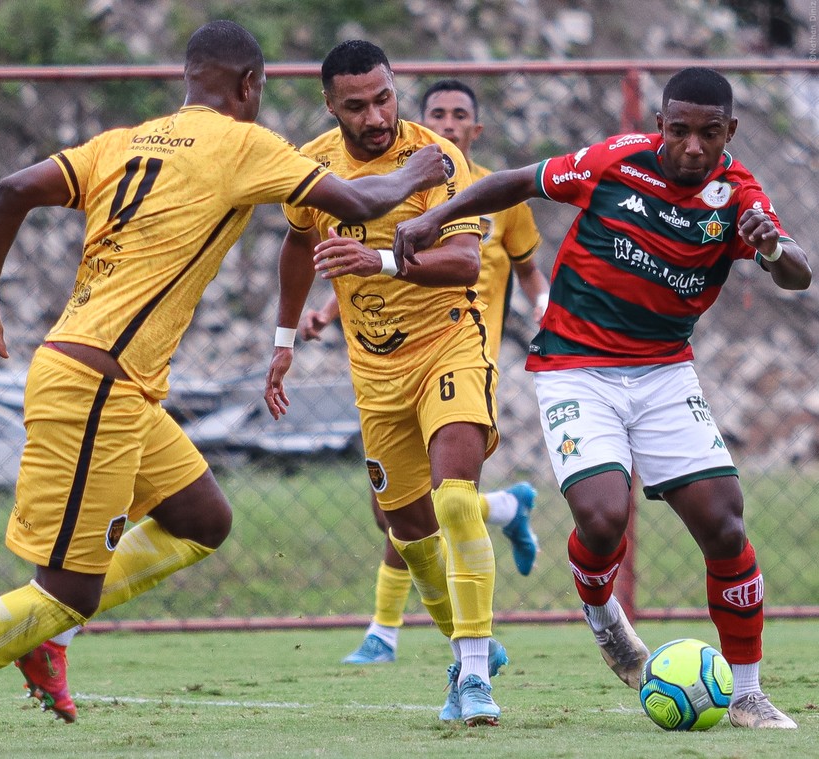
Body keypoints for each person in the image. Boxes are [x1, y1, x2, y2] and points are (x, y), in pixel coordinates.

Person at [0, 21, 452, 754]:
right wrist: (424, 172)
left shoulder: (122, 141)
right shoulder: (244, 143)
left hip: (114, 383)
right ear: (250, 88)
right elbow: (365, 203)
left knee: (203, 519)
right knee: (63, 586)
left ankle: (51, 635)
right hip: (93, 385)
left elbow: (11, 190)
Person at [394, 66, 810, 729]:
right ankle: (601, 611)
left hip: (664, 372)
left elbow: (797, 273)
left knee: (725, 521)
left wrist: (770, 247)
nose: (693, 147)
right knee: (601, 515)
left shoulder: (739, 198)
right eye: (679, 131)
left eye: (709, 134)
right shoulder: (614, 163)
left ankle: (749, 693)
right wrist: (438, 216)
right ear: (660, 127)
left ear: (729, 132)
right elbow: (514, 182)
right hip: (575, 367)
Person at [264, 41, 505, 727]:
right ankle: (466, 649)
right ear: (329, 106)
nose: (375, 115)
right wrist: (283, 344)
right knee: (407, 527)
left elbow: (462, 261)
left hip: (449, 344)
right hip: (374, 370)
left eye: (384, 97)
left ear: (396, 87)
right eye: (356, 105)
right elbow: (293, 244)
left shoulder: (436, 156)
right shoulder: (310, 164)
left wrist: (374, 258)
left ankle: (479, 675)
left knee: (456, 500)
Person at [298, 79, 551, 666]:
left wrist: (546, 316)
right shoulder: (380, 173)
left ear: (474, 129)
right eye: (439, 112)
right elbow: (361, 260)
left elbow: (525, 271)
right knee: (398, 514)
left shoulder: (496, 195)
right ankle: (508, 511)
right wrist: (321, 315)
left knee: (452, 500)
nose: (449, 123)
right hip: (384, 358)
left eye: (460, 114)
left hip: (460, 346)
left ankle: (410, 642)